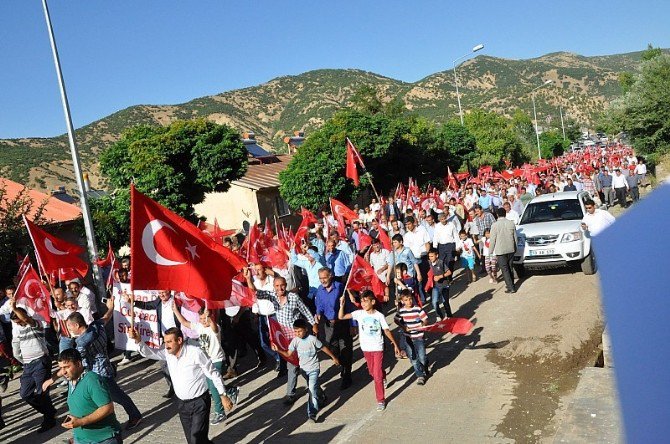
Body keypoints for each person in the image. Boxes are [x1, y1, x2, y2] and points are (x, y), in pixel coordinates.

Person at [129, 326, 236, 444]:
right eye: (165, 342)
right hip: (182, 404)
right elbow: (150, 353)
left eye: (169, 342)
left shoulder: (195, 352)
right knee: (192, 440)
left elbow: (213, 374)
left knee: (196, 440)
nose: (166, 345)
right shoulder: (168, 353)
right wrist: (138, 341)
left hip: (199, 403)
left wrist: (223, 395)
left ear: (179, 340)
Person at [50, 298, 143, 431]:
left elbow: (72, 362)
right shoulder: (96, 325)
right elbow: (107, 317)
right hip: (106, 367)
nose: (69, 329)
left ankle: (133, 417)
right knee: (113, 397)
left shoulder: (82, 343)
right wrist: (110, 307)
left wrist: (53, 378)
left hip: (99, 375)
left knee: (112, 399)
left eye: (69, 326)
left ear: (77, 326)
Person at [247, 270, 317, 405]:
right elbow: (256, 292)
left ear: (286, 285)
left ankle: (316, 392)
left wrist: (313, 324)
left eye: (282, 285)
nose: (280, 289)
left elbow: (305, 311)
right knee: (292, 366)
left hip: (299, 337)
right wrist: (249, 279)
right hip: (286, 339)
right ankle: (291, 394)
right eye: (277, 286)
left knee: (304, 366)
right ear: (274, 287)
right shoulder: (273, 296)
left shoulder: (294, 298)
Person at [171, 303, 240, 426]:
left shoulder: (215, 327)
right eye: (201, 319)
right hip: (206, 361)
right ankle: (230, 390)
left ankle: (220, 413)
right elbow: (186, 323)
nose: (203, 321)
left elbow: (214, 327)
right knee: (210, 385)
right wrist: (176, 311)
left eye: (205, 318)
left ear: (210, 317)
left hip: (216, 360)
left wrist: (211, 318)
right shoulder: (199, 326)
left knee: (213, 387)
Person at [338, 291, 401, 411]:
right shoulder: (359, 314)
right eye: (361, 301)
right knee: (373, 372)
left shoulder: (379, 316)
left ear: (373, 302)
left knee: (376, 376)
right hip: (366, 348)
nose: (363, 303)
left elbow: (387, 330)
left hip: (377, 347)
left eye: (365, 301)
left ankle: (381, 400)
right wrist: (341, 305)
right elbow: (341, 317)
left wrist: (395, 344)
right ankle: (383, 376)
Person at [272, 318, 340, 422]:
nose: (297, 333)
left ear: (306, 329)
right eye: (295, 331)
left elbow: (323, 348)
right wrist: (278, 350)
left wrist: (333, 357)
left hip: (314, 369)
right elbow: (288, 354)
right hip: (303, 370)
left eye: (299, 331)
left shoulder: (312, 339)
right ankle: (322, 397)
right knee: (314, 386)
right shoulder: (295, 341)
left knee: (311, 389)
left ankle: (312, 413)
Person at [56, 348, 123, 444]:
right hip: (82, 439)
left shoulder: (92, 380)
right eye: (61, 368)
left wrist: (81, 422)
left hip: (103, 440)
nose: (63, 372)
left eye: (66, 367)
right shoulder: (72, 380)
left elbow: (107, 408)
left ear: (78, 364)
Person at [9, 300, 57, 432]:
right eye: (17, 323)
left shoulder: (36, 324)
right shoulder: (18, 330)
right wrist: (23, 360)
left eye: (20, 321)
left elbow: (26, 319)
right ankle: (49, 411)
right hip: (28, 365)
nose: (20, 324)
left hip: (40, 361)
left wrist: (13, 307)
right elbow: (16, 348)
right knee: (25, 394)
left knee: (42, 392)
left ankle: (49, 419)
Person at [129, 290, 181, 398]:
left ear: (169, 291)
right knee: (163, 364)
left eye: (164, 292)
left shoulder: (176, 301)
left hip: (176, 338)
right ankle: (172, 386)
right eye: (160, 293)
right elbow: (146, 305)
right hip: (164, 338)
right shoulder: (158, 302)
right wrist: (133, 302)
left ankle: (180, 386)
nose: (161, 294)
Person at [314, 268, 353, 390]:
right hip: (329, 325)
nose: (322, 280)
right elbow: (319, 305)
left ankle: (347, 376)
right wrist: (318, 313)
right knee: (333, 348)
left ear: (331, 276)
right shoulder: (320, 290)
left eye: (324, 278)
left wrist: (353, 324)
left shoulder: (340, 287)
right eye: (320, 278)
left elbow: (349, 307)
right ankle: (343, 365)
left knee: (346, 350)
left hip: (342, 323)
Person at [396, 289, 429, 385]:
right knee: (414, 359)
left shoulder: (417, 309)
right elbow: (396, 320)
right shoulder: (401, 311)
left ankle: (425, 366)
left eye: (410, 299)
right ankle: (420, 376)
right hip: (408, 338)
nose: (409, 301)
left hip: (419, 337)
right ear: (402, 301)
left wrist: (423, 324)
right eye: (406, 300)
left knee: (422, 358)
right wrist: (403, 327)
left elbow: (425, 319)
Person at [489, 207, 518, 294]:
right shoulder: (511, 223)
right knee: (510, 267)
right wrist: (515, 248)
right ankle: (511, 284)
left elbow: (492, 240)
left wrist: (490, 252)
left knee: (505, 269)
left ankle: (511, 287)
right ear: (505, 214)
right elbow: (515, 238)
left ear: (497, 215)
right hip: (510, 248)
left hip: (501, 250)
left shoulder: (494, 225)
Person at [427, 249, 452, 321]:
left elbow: (449, 272)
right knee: (434, 302)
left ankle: (449, 315)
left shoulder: (441, 263)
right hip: (435, 287)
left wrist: (440, 277)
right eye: (429, 256)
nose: (430, 258)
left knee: (445, 302)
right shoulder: (430, 263)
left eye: (432, 256)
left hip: (444, 286)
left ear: (437, 255)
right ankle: (439, 316)